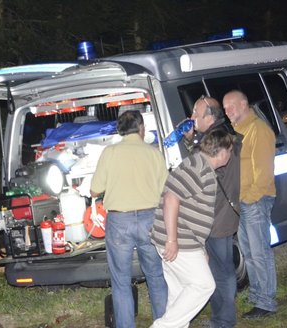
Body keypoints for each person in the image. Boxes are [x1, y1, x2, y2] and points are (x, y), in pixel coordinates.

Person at [90, 110, 168, 328]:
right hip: (150, 219)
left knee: (121, 281)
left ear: (119, 130)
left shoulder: (110, 153)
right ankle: (164, 324)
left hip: (119, 222)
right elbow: (166, 190)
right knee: (156, 276)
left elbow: (95, 189)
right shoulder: (154, 153)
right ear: (141, 128)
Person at [150, 128, 234, 328]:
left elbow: (190, 211)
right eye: (230, 150)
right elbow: (171, 198)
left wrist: (201, 248)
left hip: (185, 241)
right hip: (178, 241)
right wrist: (172, 240)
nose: (230, 155)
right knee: (204, 285)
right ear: (222, 152)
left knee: (179, 294)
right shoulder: (199, 167)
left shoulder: (200, 165)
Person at [183, 95, 242, 328]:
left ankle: (224, 321)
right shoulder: (221, 134)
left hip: (216, 215)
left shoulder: (216, 139)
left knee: (221, 271)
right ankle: (222, 317)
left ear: (210, 116)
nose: (192, 118)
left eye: (196, 114)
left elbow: (203, 171)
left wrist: (190, 143)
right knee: (219, 268)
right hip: (220, 214)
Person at [222, 90, 277, 319]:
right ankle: (257, 296)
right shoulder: (235, 132)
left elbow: (263, 173)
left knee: (259, 252)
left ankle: (266, 302)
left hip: (254, 201)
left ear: (244, 104)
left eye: (231, 107)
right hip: (242, 203)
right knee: (249, 253)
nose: (228, 112)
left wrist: (250, 198)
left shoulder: (259, 131)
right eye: (225, 109)